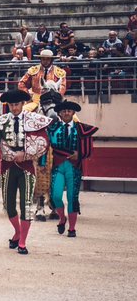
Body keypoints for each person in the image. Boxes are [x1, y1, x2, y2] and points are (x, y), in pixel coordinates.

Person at [0, 89, 54, 255]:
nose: (14, 108)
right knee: (8, 206)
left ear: (23, 104)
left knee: (26, 204)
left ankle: (22, 242)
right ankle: (18, 231)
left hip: (27, 166)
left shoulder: (32, 120)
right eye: (11, 105)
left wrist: (27, 154)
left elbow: (43, 142)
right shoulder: (2, 121)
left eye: (17, 104)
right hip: (8, 166)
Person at [48, 100, 98, 238]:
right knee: (55, 196)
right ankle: (62, 218)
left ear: (73, 113)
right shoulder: (52, 128)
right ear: (59, 113)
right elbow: (44, 145)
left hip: (74, 167)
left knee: (72, 197)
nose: (66, 113)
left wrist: (79, 154)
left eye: (69, 111)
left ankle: (72, 228)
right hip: (58, 166)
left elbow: (89, 150)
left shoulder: (82, 128)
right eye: (63, 111)